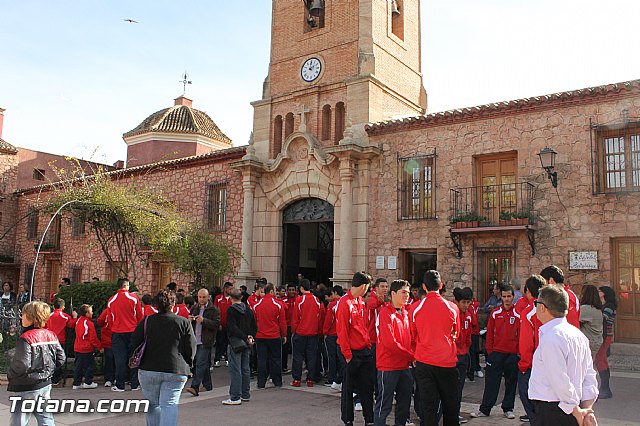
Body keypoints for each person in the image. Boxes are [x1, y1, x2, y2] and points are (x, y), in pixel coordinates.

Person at [529, 285, 599, 426]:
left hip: (555, 410)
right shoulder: (578, 335)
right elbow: (589, 376)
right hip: (570, 408)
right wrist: (587, 409)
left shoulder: (552, 338)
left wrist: (576, 411)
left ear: (542, 307)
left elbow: (559, 380)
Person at [132, 289, 196, 425]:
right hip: (176, 368)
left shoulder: (147, 321)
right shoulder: (183, 322)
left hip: (149, 368)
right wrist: (189, 363)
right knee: (169, 404)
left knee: (152, 404)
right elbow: (191, 347)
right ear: (173, 304)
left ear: (156, 305)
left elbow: (134, 342)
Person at [411, 270, 461, 426]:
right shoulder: (452, 307)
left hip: (425, 363)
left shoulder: (415, 308)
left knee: (429, 408)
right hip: (447, 362)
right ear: (441, 285)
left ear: (424, 287)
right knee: (451, 407)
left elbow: (412, 335)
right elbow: (456, 333)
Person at [8, 301, 66, 426]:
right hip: (45, 384)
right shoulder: (51, 335)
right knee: (46, 418)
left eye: (23, 315)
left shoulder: (26, 338)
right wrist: (48, 371)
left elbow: (22, 364)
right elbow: (61, 358)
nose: (21, 317)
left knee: (19, 420)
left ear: (31, 318)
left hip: (27, 386)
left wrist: (11, 374)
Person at [471, 284, 520, 420]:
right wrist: (490, 352)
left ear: (513, 297)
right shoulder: (495, 313)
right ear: (501, 297)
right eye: (504, 297)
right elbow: (490, 334)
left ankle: (508, 408)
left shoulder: (518, 314)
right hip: (496, 354)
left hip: (512, 355)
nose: (506, 299)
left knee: (511, 383)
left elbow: (521, 335)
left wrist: (518, 352)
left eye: (509, 296)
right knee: (492, 383)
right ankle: (485, 409)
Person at [336, 272, 374, 426]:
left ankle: (369, 419)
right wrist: (347, 354)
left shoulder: (359, 301)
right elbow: (342, 330)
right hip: (350, 352)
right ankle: (348, 419)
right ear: (364, 286)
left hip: (363, 350)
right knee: (348, 388)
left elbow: (362, 326)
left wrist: (368, 344)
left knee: (367, 387)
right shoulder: (344, 303)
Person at [374, 279, 414, 426]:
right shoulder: (385, 314)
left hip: (404, 366)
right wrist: (412, 356)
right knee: (384, 404)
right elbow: (390, 343)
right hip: (388, 366)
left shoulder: (405, 313)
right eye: (403, 292)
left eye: (408, 293)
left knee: (404, 403)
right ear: (393, 293)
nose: (407, 295)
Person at [105, 277, 143, 391]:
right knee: (134, 357)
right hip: (133, 331)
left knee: (119, 359)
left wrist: (115, 328)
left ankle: (120, 384)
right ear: (126, 286)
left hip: (118, 332)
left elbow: (110, 318)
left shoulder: (111, 300)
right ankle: (134, 384)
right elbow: (139, 316)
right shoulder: (134, 298)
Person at [517, 275, 546, 423]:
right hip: (548, 360)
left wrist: (523, 364)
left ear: (528, 291)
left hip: (533, 364)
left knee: (526, 395)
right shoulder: (548, 308)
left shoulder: (529, 312)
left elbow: (526, 343)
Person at [223, 288, 257, 405]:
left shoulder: (231, 310)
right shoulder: (248, 310)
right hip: (247, 343)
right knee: (245, 368)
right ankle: (245, 394)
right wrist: (250, 337)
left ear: (231, 298)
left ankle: (235, 396)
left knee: (235, 370)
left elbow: (232, 328)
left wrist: (244, 337)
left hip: (236, 343)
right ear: (242, 297)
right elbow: (254, 326)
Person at [186, 288, 220, 396]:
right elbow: (190, 324)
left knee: (200, 363)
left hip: (206, 340)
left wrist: (204, 321)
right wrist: (190, 320)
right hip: (195, 340)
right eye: (200, 297)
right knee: (202, 363)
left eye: (204, 297)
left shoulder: (213, 309)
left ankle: (194, 386)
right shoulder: (194, 308)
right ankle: (207, 384)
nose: (201, 299)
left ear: (208, 297)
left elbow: (216, 324)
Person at [291, 278, 325, 387]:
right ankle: (311, 379)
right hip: (313, 333)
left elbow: (295, 317)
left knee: (298, 357)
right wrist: (319, 331)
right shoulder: (316, 300)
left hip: (301, 332)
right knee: (312, 356)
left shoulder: (299, 300)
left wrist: (294, 330)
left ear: (301, 288)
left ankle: (297, 379)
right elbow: (320, 318)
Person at [253, 283, 287, 388]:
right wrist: (284, 334)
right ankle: (277, 381)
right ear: (272, 291)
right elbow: (282, 322)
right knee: (276, 359)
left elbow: (254, 321)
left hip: (261, 335)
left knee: (262, 359)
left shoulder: (256, 305)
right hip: (274, 335)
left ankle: (261, 382)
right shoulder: (278, 305)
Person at [452, 287, 473, 424]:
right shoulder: (452, 314)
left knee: (459, 388)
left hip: (463, 356)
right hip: (452, 357)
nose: (466, 305)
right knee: (451, 388)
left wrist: (465, 349)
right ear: (457, 302)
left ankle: (455, 413)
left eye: (468, 302)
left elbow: (469, 336)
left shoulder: (468, 315)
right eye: (463, 302)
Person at [46, 298, 77, 386]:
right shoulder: (65, 316)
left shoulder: (49, 315)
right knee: (59, 360)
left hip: (49, 340)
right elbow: (71, 325)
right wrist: (74, 317)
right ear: (63, 307)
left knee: (50, 359)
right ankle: (56, 378)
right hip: (60, 340)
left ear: (53, 306)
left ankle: (49, 377)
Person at [72, 304, 102, 389]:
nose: (92, 313)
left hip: (78, 347)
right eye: (91, 311)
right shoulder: (89, 323)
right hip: (87, 348)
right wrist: (100, 347)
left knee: (78, 366)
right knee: (89, 365)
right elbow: (93, 338)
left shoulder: (78, 321)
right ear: (87, 313)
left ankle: (76, 383)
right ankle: (88, 382)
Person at [595, 286, 616, 399]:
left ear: (604, 294)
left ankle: (605, 388)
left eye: (599, 291)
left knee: (600, 360)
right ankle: (605, 388)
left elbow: (604, 318)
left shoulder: (609, 306)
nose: (598, 293)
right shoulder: (605, 305)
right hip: (605, 335)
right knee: (602, 360)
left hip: (605, 335)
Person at [323, 285, 344, 390]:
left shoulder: (332, 305)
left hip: (332, 334)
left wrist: (325, 332)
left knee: (332, 357)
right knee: (340, 358)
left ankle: (332, 378)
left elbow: (329, 320)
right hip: (341, 334)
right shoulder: (344, 303)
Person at [579, 285, 603, 362]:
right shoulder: (598, 309)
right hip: (596, 340)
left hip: (589, 341)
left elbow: (574, 322)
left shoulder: (586, 309)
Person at [214, 282, 234, 367]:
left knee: (228, 342)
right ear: (225, 289)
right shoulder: (218, 298)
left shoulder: (232, 299)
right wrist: (217, 323)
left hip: (229, 325)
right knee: (219, 342)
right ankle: (217, 359)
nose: (231, 290)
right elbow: (215, 311)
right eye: (229, 289)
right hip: (220, 324)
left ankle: (227, 359)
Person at [96, 307, 115, 387]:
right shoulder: (118, 310)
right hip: (116, 338)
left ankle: (109, 379)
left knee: (108, 360)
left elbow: (99, 321)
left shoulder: (107, 311)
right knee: (117, 359)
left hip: (107, 339)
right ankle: (117, 377)